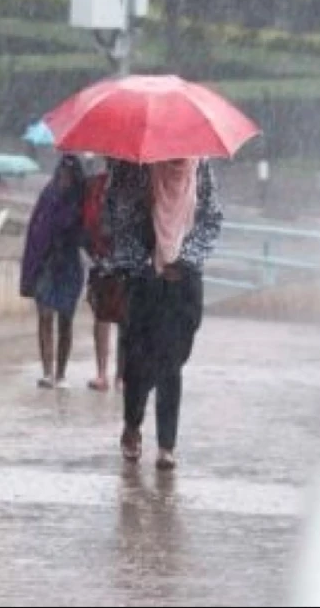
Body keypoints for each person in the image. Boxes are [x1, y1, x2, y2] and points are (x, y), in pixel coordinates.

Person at [103, 158, 223, 471]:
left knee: (173, 361)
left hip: (184, 281)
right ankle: (134, 424)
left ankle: (167, 444)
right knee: (138, 362)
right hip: (143, 279)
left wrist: (184, 260)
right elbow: (115, 216)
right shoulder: (133, 166)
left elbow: (211, 219)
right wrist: (145, 261)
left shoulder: (200, 167)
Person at [20, 154, 87, 389]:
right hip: (46, 263)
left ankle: (61, 373)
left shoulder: (81, 200)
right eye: (62, 173)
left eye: (69, 174)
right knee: (45, 316)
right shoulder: (48, 196)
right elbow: (36, 230)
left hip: (68, 264)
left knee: (66, 321)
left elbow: (87, 232)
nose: (65, 178)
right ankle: (47, 371)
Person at [81, 160, 126, 393]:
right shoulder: (95, 186)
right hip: (101, 260)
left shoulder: (134, 186)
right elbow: (86, 221)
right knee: (101, 317)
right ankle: (102, 373)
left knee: (125, 321)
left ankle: (121, 376)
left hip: (127, 262)